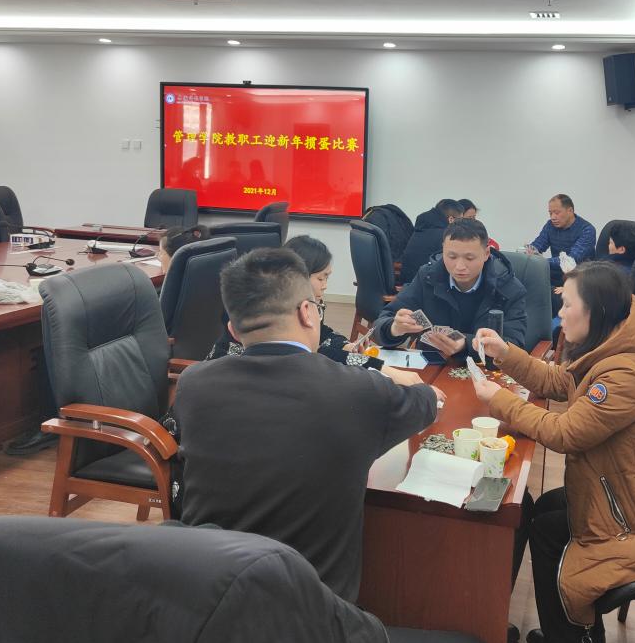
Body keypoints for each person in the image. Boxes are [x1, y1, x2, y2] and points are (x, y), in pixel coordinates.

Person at [171, 248, 442, 603]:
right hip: (311, 609)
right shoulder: (358, 391)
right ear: (307, 312)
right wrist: (427, 391)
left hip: (205, 594)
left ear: (233, 331)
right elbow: (424, 404)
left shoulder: (193, 384)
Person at [472, 262, 635, 643]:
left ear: (595, 311)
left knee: (547, 530)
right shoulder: (612, 344)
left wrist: (499, 399)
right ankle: (563, 632)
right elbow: (561, 381)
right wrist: (506, 353)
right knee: (545, 508)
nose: (560, 314)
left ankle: (574, 638)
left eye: (568, 305)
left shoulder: (625, 373)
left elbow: (566, 433)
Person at [207, 234, 388, 372]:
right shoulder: (279, 308)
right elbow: (315, 354)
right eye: (321, 278)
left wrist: (345, 345)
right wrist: (373, 365)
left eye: (327, 277)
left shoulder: (309, 303)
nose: (325, 285)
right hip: (237, 372)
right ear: (299, 275)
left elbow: (321, 333)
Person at [375, 218, 527, 359]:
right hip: (432, 365)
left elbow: (514, 347)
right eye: (452, 257)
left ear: (486, 253)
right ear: (443, 250)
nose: (459, 267)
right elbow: (381, 323)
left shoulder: (508, 288)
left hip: (487, 370)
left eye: (469, 258)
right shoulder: (428, 277)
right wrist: (394, 329)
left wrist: (466, 344)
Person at [398, 198, 464, 284]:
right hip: (426, 286)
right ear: (451, 219)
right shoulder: (446, 236)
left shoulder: (420, 230)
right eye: (461, 220)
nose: (462, 224)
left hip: (407, 284)